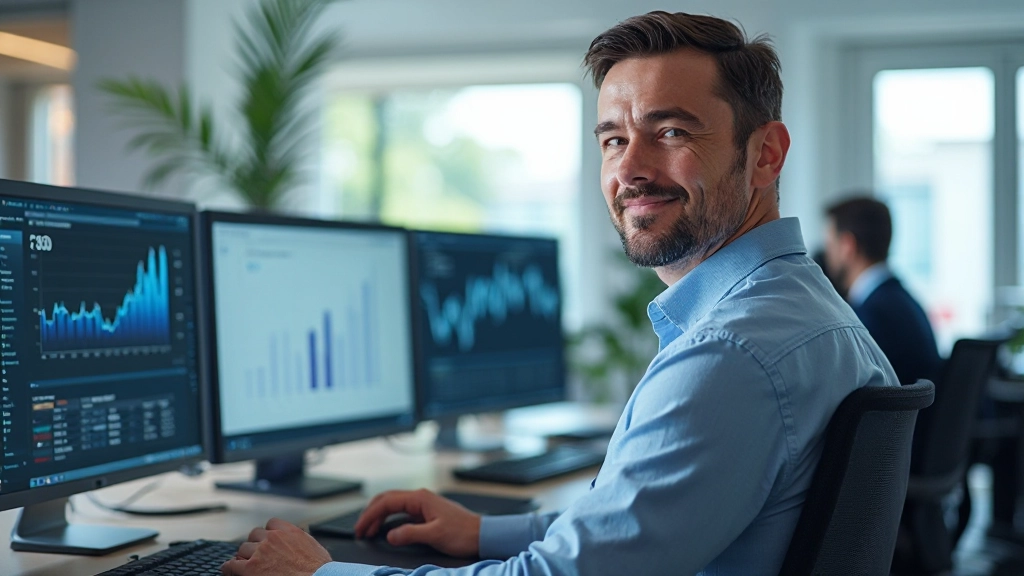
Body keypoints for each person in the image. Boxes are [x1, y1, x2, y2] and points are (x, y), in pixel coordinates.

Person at [221, 11, 899, 576]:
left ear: (766, 155)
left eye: (670, 132)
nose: (629, 168)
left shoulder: (732, 356)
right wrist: (483, 533)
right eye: (613, 138)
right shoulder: (803, 314)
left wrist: (321, 573)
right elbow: (636, 521)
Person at [822, 196, 943, 386]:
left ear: (847, 246)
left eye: (829, 245)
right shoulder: (900, 300)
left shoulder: (870, 315)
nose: (827, 255)